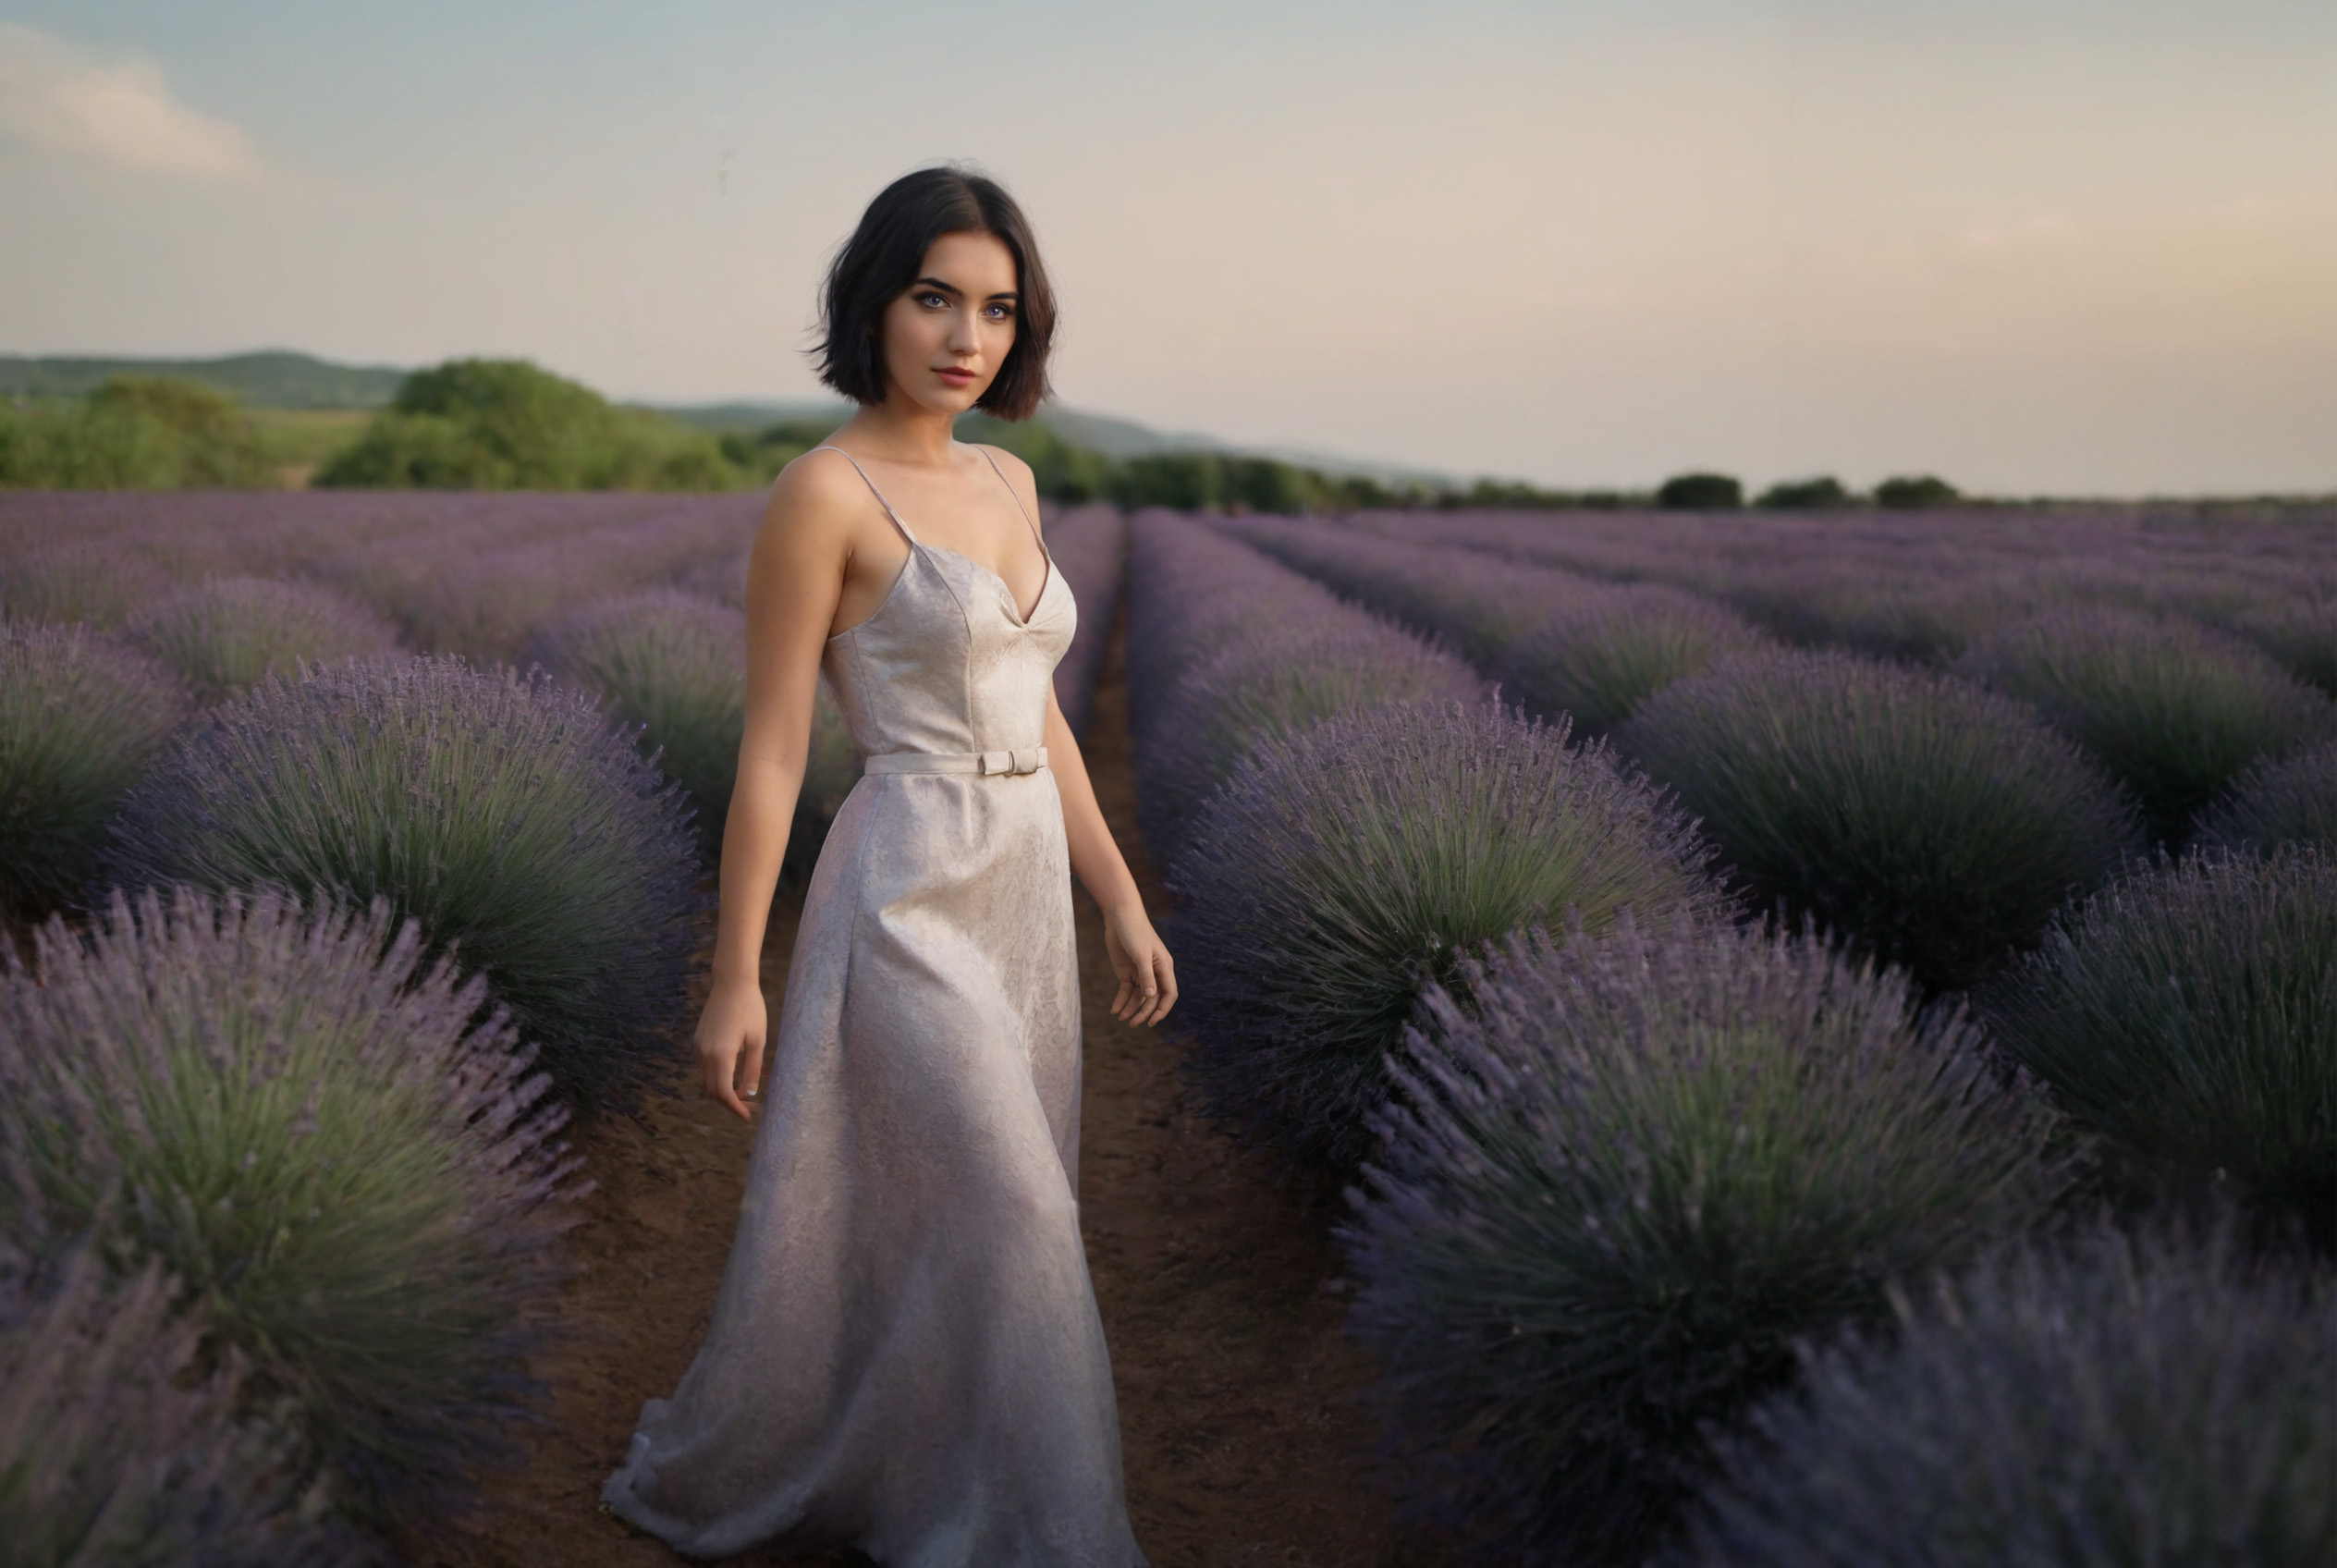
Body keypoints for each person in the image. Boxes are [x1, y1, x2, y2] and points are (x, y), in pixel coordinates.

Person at [600, 166, 1169, 1564]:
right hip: (908, 886)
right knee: (1020, 1212)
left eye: (995, 308)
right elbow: (776, 760)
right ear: (875, 302)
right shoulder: (821, 495)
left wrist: (1121, 893)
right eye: (934, 298)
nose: (964, 336)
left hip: (1025, 880)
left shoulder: (1009, 477)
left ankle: (939, 1486)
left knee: (972, 1221)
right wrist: (739, 978)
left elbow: (1039, 707)